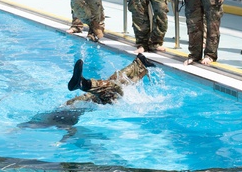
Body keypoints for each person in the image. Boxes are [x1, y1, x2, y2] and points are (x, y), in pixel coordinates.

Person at [19, 53, 156, 129]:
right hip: (87, 101)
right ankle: (139, 63)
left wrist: (16, 129)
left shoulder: (58, 118)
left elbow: (69, 132)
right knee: (115, 85)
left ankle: (83, 83)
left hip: (83, 102)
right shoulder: (62, 121)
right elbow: (69, 132)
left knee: (115, 84)